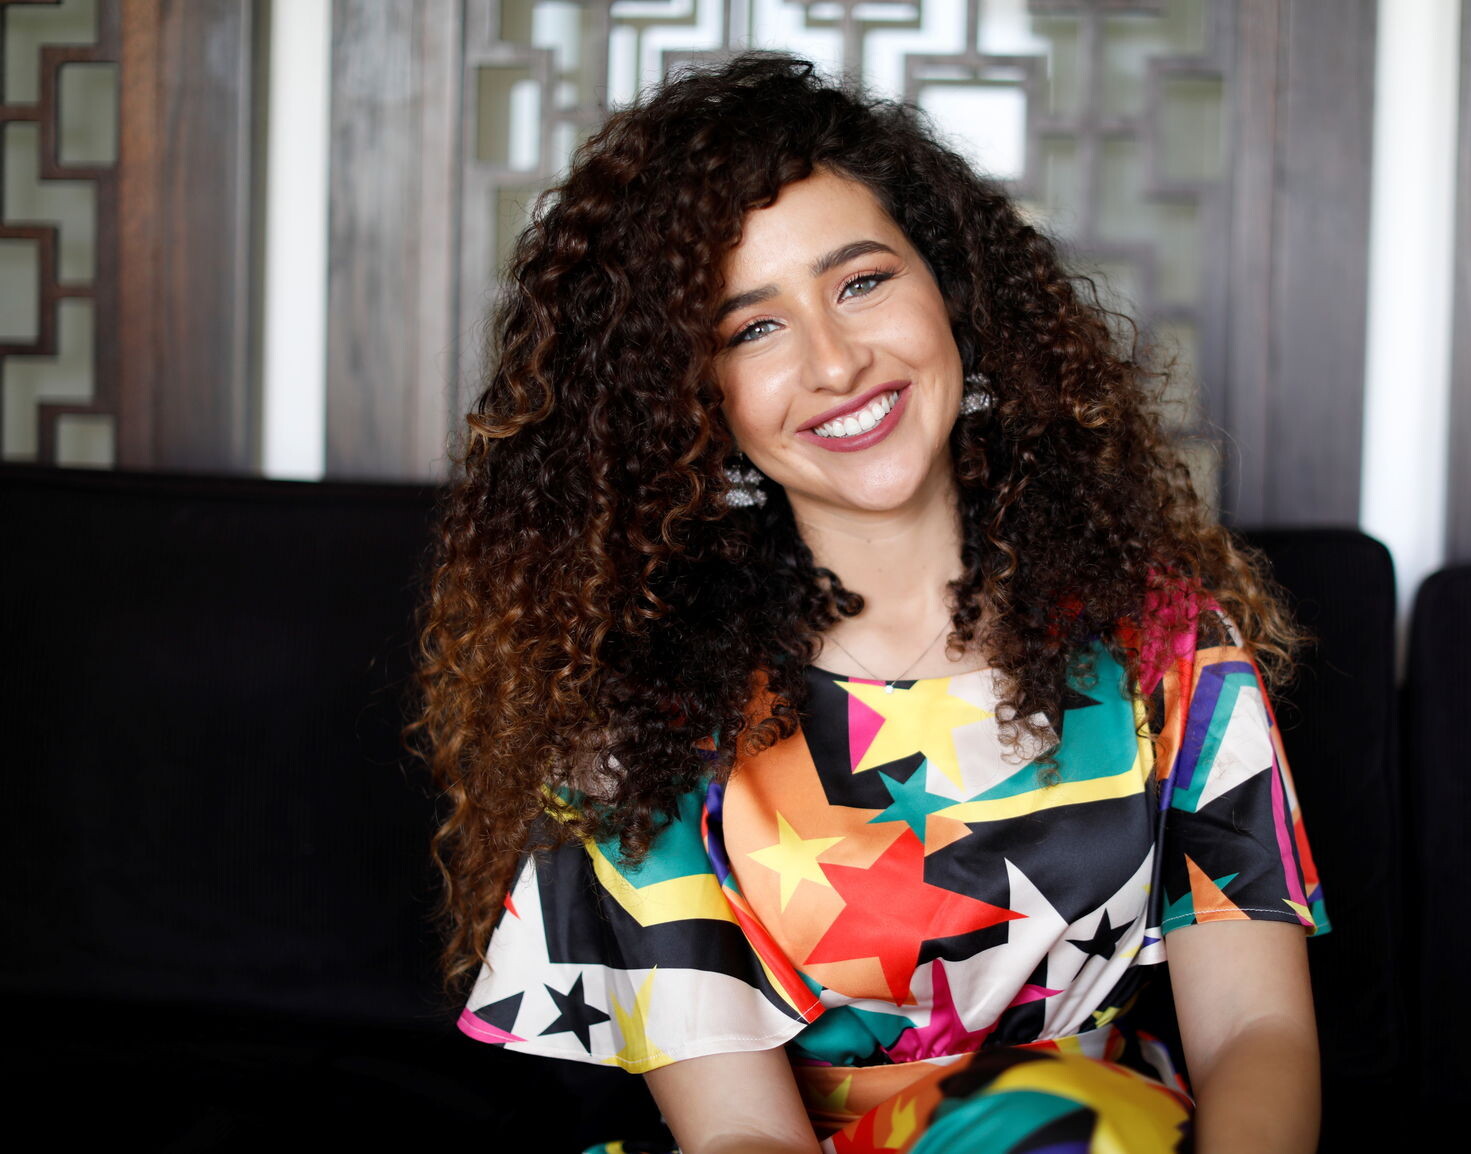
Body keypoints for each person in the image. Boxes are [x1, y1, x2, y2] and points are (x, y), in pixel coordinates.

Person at [416, 53, 1328, 1154]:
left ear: (954, 294)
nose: (837, 362)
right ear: (694, 400)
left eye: (860, 282)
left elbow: (1257, 1031)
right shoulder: (644, 720)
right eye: (753, 328)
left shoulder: (1166, 645)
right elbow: (741, 1134)